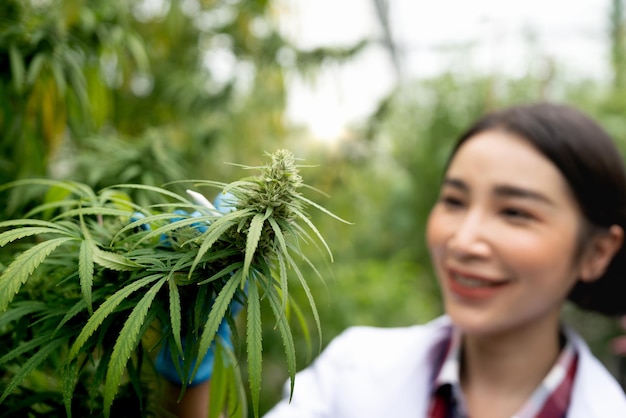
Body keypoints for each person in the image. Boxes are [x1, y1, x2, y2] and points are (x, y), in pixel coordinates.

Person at [164, 102, 626, 417]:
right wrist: (187, 381)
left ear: (597, 252)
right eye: (454, 201)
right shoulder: (357, 369)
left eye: (515, 212)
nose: (464, 241)